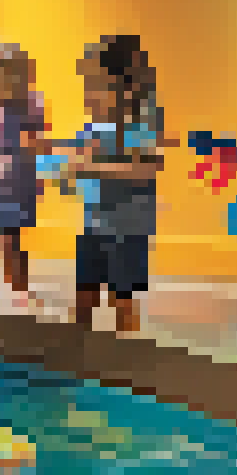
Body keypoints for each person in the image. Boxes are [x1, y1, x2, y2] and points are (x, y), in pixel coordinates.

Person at [65, 35, 164, 334]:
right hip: (94, 224)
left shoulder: (140, 127)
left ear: (127, 87)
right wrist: (68, 169)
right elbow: (78, 164)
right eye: (86, 86)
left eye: (97, 87)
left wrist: (91, 166)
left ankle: (126, 356)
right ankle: (79, 353)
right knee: (85, 295)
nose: (89, 96)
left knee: (122, 298)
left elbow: (144, 170)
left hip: (127, 229)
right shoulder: (93, 126)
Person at [0, 43, 51, 311]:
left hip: (18, 180)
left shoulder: (29, 103)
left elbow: (37, 142)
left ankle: (18, 288)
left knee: (11, 237)